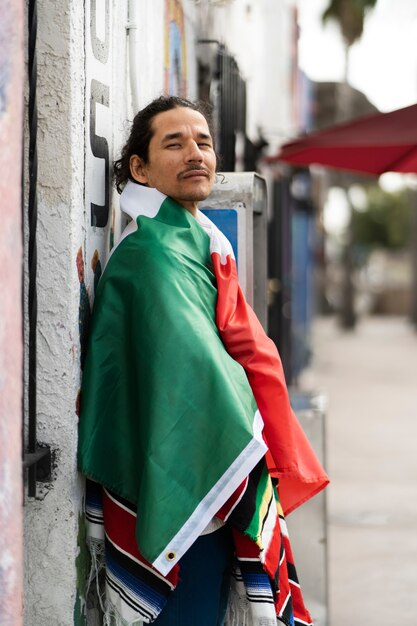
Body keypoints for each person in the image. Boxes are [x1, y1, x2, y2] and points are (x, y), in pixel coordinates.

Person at [78, 95, 329, 626]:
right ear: (140, 169)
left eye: (203, 142)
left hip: (207, 488)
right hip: (190, 489)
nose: (195, 153)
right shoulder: (151, 254)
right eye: (175, 143)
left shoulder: (194, 239)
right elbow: (194, 376)